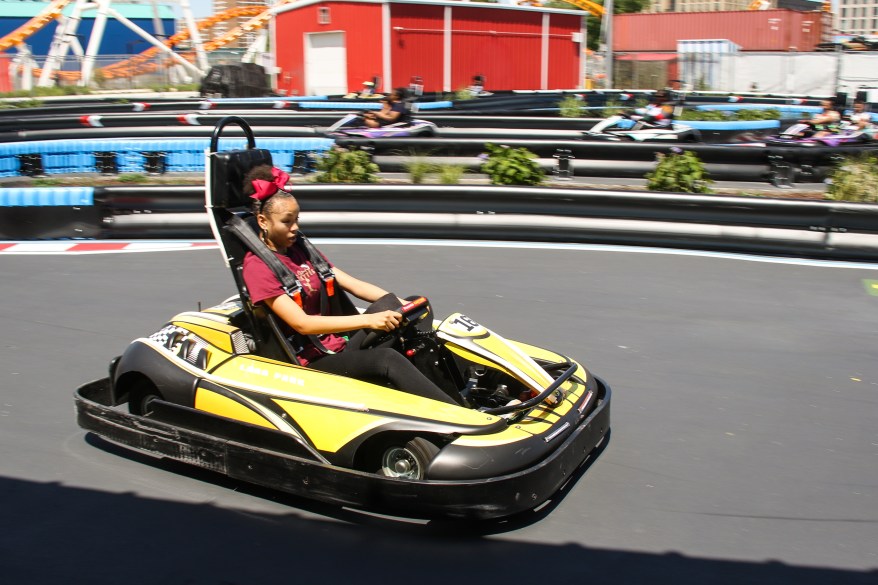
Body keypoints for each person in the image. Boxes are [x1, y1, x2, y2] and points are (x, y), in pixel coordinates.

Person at [239, 164, 460, 405]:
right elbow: (302, 324)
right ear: (262, 221)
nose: (295, 228)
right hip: (312, 360)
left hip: (337, 342)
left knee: (413, 305)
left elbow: (353, 285)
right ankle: (456, 413)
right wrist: (369, 320)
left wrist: (403, 306)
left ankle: (458, 392)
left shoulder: (298, 247)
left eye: (297, 220)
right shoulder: (258, 268)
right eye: (287, 222)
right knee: (386, 359)